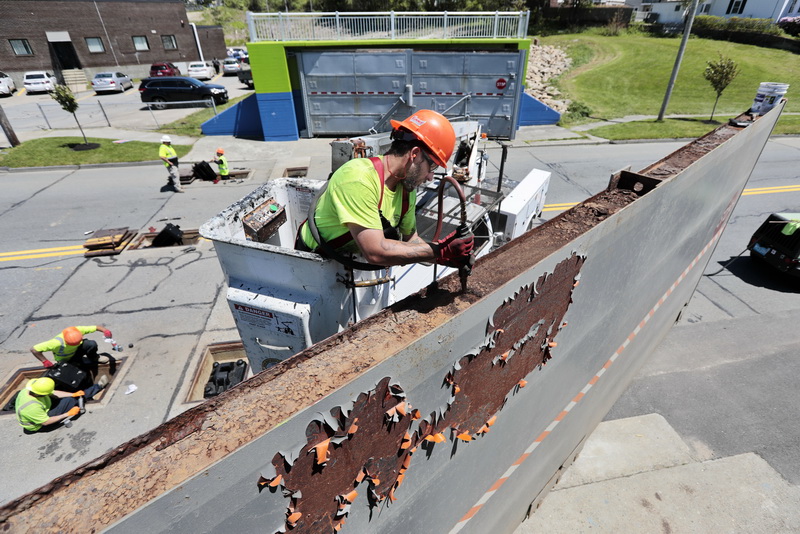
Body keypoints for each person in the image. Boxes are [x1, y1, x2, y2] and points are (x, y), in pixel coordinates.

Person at [296, 109, 474, 269]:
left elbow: (411, 241)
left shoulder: (406, 188)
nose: (430, 177)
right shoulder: (358, 179)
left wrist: (448, 259)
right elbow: (375, 251)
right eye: (432, 167)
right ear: (415, 155)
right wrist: (441, 250)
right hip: (312, 263)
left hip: (348, 261)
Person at [15, 377, 107, 434]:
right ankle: (97, 387)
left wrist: (72, 394)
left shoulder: (30, 389)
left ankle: (94, 389)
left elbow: (53, 392)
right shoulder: (31, 407)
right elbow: (46, 422)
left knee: (71, 397)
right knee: (70, 401)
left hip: (43, 409)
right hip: (40, 425)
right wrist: (67, 414)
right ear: (41, 394)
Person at [31, 325, 113, 372]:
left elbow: (96, 327)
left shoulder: (77, 330)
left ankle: (94, 358)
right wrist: (44, 361)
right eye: (72, 344)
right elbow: (34, 349)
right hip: (66, 359)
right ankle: (76, 363)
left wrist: (105, 331)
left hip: (77, 351)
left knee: (91, 344)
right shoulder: (56, 343)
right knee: (75, 372)